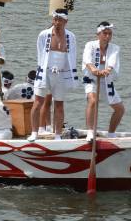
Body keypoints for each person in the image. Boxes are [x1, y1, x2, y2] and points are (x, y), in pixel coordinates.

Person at [29, 9, 78, 141]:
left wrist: (69, 75)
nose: (57, 22)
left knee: (59, 104)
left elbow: (72, 57)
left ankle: (57, 134)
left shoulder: (71, 37)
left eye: (60, 20)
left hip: (60, 73)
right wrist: (42, 69)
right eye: (55, 19)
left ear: (66, 21)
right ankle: (34, 132)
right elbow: (40, 54)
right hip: (45, 71)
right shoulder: (44, 34)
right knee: (38, 102)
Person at [82, 22, 124, 141]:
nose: (107, 36)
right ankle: (90, 132)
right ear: (98, 34)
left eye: (110, 34)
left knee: (120, 109)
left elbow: (112, 62)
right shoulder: (90, 45)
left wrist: (107, 70)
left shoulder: (115, 48)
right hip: (91, 78)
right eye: (105, 33)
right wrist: (93, 69)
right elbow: (87, 60)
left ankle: (111, 133)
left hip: (106, 79)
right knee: (92, 100)